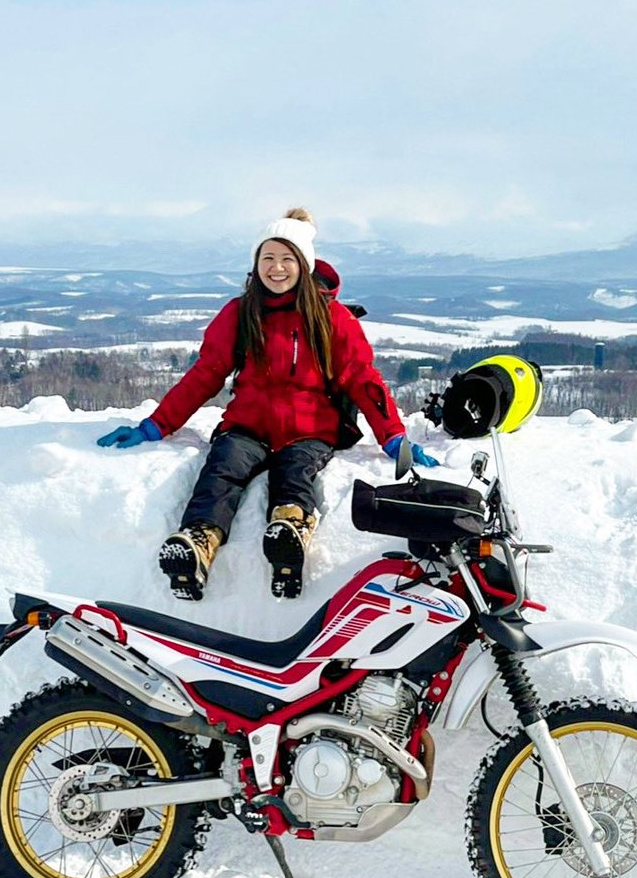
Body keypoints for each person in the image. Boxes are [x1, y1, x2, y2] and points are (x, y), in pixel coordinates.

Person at [98, 208, 439, 600]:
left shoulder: (332, 318)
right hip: (248, 425)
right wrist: (156, 425)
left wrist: (393, 436)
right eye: (268, 258)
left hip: (310, 427)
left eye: (287, 259)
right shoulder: (240, 313)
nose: (277, 268)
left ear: (304, 265)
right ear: (256, 263)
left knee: (296, 472)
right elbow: (205, 375)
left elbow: (363, 380)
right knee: (223, 469)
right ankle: (198, 543)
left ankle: (289, 535)